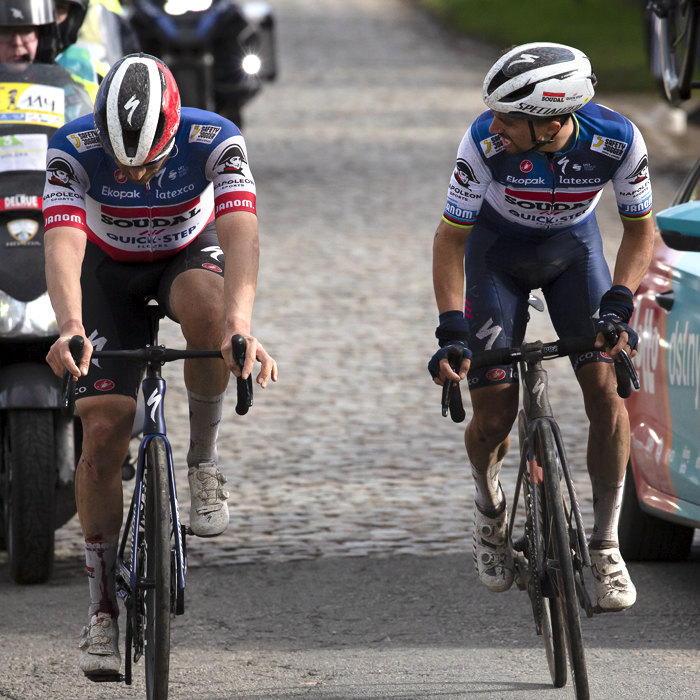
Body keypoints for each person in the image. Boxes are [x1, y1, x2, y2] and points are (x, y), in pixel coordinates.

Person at [43, 53, 277, 678]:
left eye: (147, 160)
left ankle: (201, 459)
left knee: (209, 315)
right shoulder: (73, 144)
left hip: (185, 254)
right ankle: (98, 608)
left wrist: (239, 328)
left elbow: (241, 232)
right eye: (121, 161)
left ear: (171, 133)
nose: (134, 172)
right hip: (104, 269)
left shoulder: (214, 138)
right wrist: (69, 325)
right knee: (100, 433)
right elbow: (63, 239)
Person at [429, 43, 654, 612]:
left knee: (605, 390)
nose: (495, 127)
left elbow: (639, 229)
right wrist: (451, 328)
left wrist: (618, 304)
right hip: (495, 255)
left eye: (510, 120)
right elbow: (451, 238)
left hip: (573, 254)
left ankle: (604, 543)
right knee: (496, 408)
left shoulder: (619, 141)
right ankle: (487, 509)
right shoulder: (482, 142)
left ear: (552, 120)